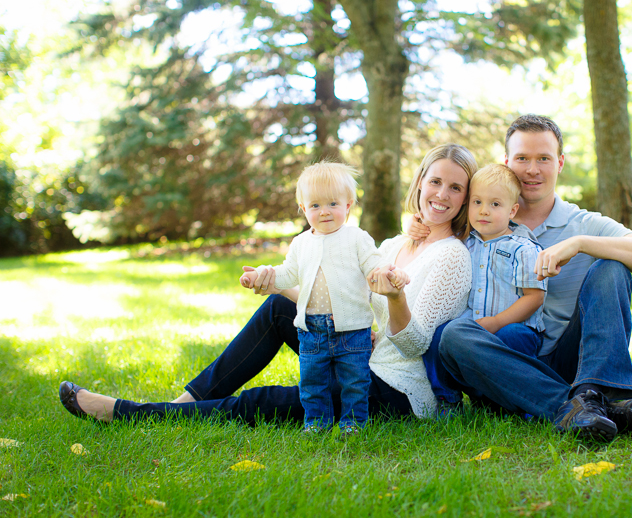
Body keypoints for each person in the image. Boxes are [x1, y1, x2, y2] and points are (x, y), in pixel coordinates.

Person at [58, 144, 477, 426]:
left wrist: (396, 297)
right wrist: (275, 283)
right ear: (419, 182)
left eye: (456, 187)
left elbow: (415, 346)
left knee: (267, 402)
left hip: (399, 390)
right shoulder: (394, 244)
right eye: (435, 181)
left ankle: (135, 414)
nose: (441, 194)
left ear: (465, 199)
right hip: (358, 352)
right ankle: (186, 401)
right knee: (280, 310)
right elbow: (337, 300)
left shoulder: (452, 257)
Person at [415, 115, 632, 441]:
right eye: (522, 158)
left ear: (559, 163)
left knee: (612, 267)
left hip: (570, 362)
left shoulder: (581, 223)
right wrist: (417, 226)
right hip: (499, 360)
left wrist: (580, 244)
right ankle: (582, 408)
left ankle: (598, 392)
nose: (532, 169)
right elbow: (431, 231)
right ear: (507, 161)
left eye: (544, 159)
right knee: (454, 335)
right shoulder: (481, 219)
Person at [239, 161, 409, 433]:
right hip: (312, 330)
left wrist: (389, 273)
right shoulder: (301, 243)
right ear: (304, 209)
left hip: (352, 330)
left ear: (348, 206)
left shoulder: (356, 238)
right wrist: (261, 275)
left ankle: (353, 422)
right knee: (312, 381)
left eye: (332, 203)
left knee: (355, 381)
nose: (325, 211)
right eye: (315, 206)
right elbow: (287, 273)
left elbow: (374, 264)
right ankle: (316, 422)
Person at [423, 164, 546, 413]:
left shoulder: (523, 248)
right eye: (477, 202)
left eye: (495, 205)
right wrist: (419, 224)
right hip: (471, 329)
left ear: (512, 210)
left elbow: (534, 298)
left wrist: (497, 322)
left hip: (515, 329)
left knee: (511, 337)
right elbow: (432, 231)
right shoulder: (464, 242)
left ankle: (510, 401)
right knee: (438, 334)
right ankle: (447, 398)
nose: (484, 211)